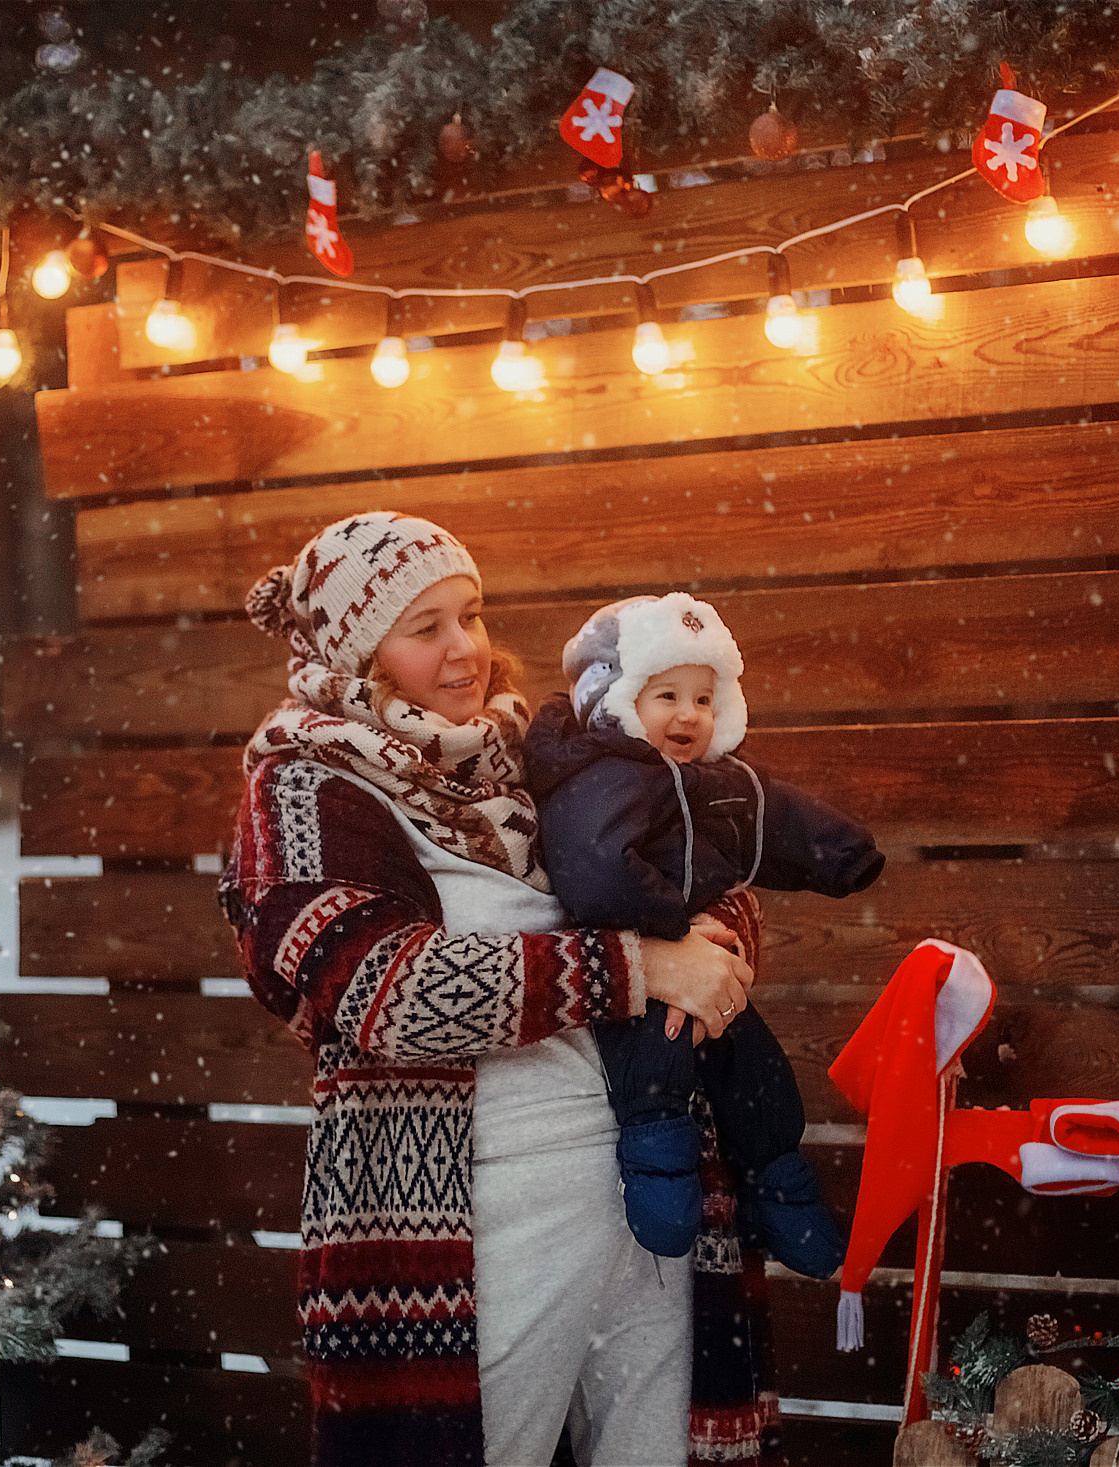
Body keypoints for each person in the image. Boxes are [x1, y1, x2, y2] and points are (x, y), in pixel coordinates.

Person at [219, 513, 775, 1467]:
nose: (463, 650)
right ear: (358, 652)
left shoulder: (538, 754)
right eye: (423, 627)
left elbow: (707, 870)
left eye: (469, 615)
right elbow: (383, 988)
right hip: (474, 1208)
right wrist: (641, 968)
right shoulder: (304, 788)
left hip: (655, 1183)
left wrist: (717, 943)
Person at [523, 593, 885, 1277]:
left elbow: (771, 815)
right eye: (666, 694)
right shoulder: (600, 777)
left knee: (760, 1071)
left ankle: (781, 1187)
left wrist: (844, 852)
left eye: (703, 697)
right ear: (616, 700)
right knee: (654, 1082)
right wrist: (675, 925)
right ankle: (660, 1193)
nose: (688, 713)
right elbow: (595, 871)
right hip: (637, 977)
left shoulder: (706, 779)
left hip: (701, 965)